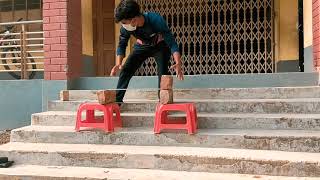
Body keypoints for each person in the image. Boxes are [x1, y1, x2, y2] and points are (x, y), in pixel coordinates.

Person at [111, 0, 184, 104]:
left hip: (160, 46)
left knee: (163, 74)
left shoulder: (155, 19)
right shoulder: (126, 28)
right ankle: (117, 102)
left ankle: (163, 103)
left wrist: (178, 62)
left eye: (123, 22)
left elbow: (171, 41)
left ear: (134, 20)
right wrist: (118, 64)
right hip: (141, 46)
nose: (123, 25)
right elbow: (122, 44)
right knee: (126, 70)